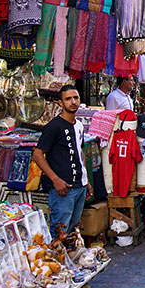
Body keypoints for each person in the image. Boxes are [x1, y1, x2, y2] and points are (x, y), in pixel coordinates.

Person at [32, 85, 93, 236]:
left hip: (80, 185)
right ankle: (56, 260)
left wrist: (87, 181)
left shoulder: (78, 125)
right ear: (60, 103)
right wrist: (55, 180)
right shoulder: (54, 126)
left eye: (75, 98)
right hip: (63, 188)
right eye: (68, 99)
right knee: (60, 231)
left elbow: (80, 153)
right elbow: (38, 154)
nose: (72, 102)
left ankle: (70, 258)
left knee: (73, 229)